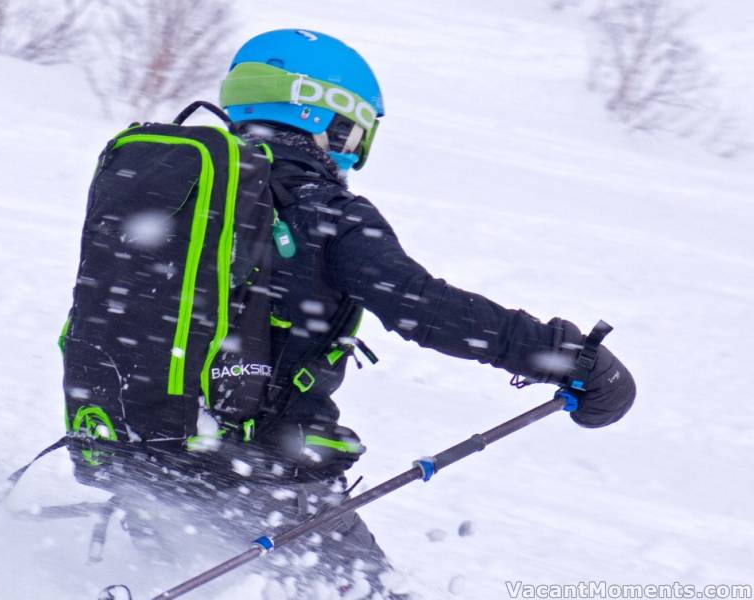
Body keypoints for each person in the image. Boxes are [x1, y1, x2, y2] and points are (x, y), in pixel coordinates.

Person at [67, 29, 635, 600]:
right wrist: (568, 357)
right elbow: (421, 306)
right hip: (260, 473)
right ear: (326, 118)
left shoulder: (188, 188)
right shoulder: (325, 210)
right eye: (355, 132)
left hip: (136, 444)